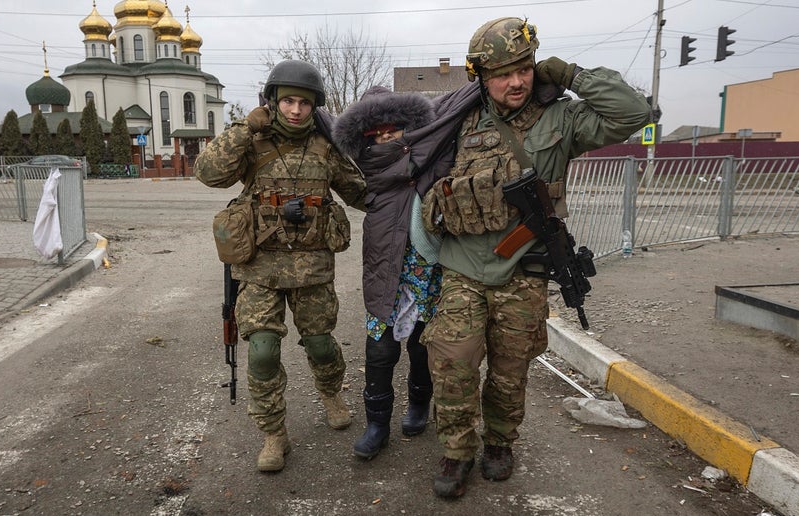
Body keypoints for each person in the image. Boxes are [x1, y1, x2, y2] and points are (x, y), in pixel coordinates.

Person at [420, 17, 654, 498]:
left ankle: (501, 443)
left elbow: (633, 112)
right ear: (482, 77)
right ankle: (457, 450)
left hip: (523, 270)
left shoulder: (562, 119)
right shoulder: (457, 119)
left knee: (510, 370)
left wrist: (568, 73)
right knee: (453, 366)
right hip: (462, 268)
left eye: (524, 68)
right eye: (503, 72)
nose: (517, 81)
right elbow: (412, 168)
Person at [194, 60, 367, 473]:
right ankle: (274, 434)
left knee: (322, 345)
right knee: (263, 351)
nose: (294, 110)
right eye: (287, 101)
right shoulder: (252, 142)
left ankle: (331, 394)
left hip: (311, 269)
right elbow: (207, 173)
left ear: (314, 107)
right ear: (271, 102)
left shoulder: (327, 146)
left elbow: (361, 192)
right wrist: (243, 129)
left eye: (303, 103)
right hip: (260, 268)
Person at [331, 84, 479, 460]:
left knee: (419, 347)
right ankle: (377, 425)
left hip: (427, 274)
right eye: (375, 133)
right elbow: (321, 124)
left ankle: (417, 405)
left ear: (407, 127)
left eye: (391, 129)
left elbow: (452, 105)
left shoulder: (434, 159)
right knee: (380, 351)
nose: (384, 137)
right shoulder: (369, 176)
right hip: (385, 277)